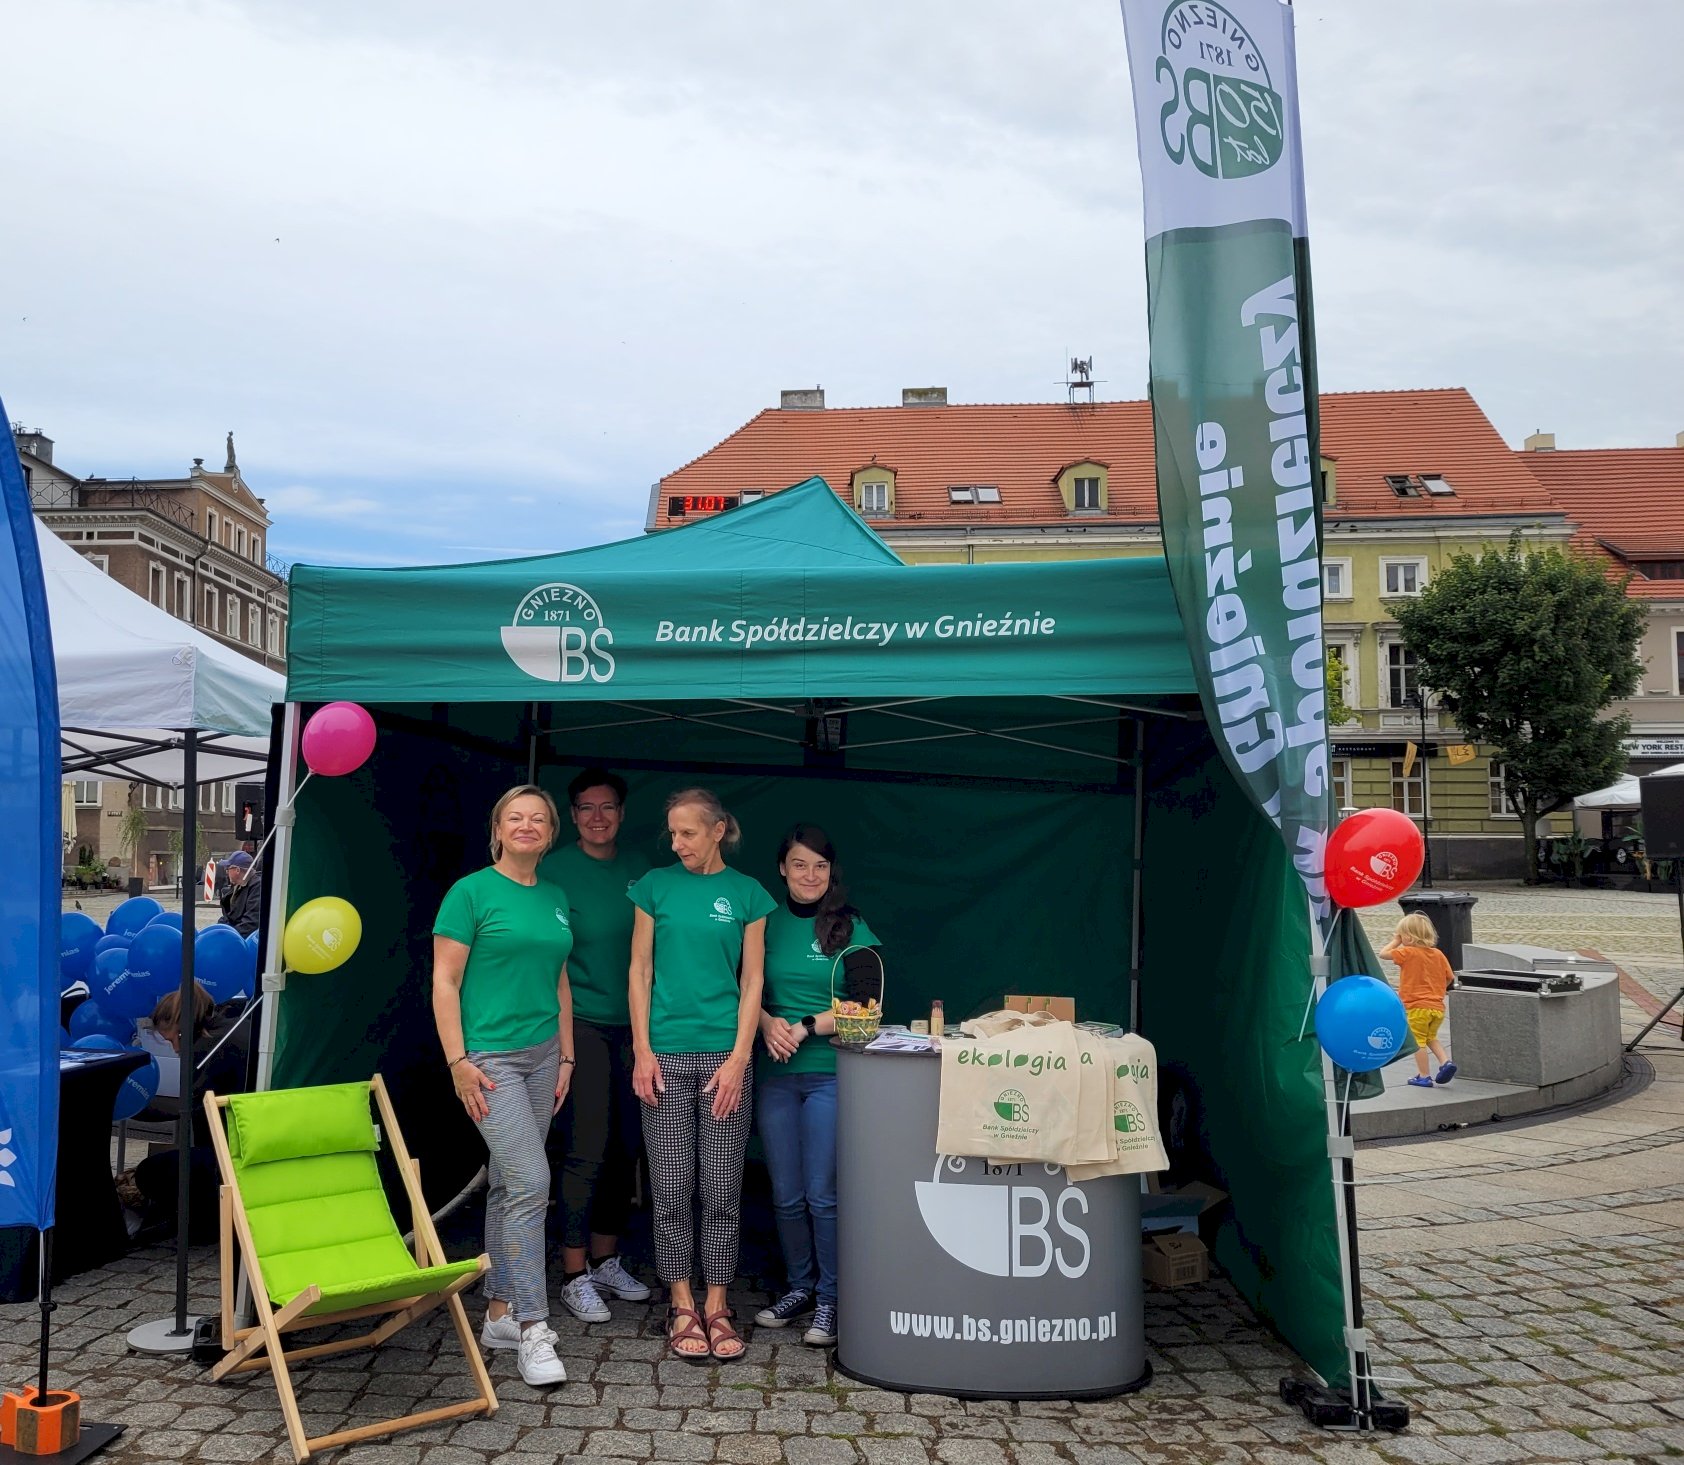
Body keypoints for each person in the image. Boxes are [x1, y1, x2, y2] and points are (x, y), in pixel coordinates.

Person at [432, 785, 576, 1388]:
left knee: (509, 1184)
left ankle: (497, 1314)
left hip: (544, 1055)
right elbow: (445, 980)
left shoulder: (555, 895)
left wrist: (567, 1056)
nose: (527, 825)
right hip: (489, 1058)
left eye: (538, 819)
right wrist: (458, 1061)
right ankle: (533, 1326)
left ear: (550, 833)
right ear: (497, 828)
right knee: (532, 1182)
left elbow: (560, 978)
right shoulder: (470, 893)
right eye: (515, 817)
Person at [629, 788, 775, 1363]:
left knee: (721, 1185)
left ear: (718, 831)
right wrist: (642, 1049)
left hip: (723, 1060)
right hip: (663, 1056)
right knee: (669, 1186)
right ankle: (681, 1299)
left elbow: (753, 983)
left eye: (687, 832)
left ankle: (718, 1301)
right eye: (672, 833)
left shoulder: (749, 894)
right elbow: (639, 970)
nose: (677, 843)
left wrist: (739, 1059)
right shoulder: (653, 887)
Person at [754, 825, 882, 1348]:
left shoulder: (851, 928)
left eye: (820, 867)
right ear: (782, 868)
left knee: (821, 1194)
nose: (810, 876)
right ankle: (800, 1288)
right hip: (775, 1075)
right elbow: (740, 986)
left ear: (832, 874)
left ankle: (831, 1298)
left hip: (830, 1074)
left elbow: (869, 1007)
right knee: (785, 1194)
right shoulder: (760, 923)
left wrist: (803, 1025)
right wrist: (766, 1024)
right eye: (800, 864)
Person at [540, 767, 653, 1323]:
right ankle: (574, 1271)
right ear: (573, 815)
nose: (598, 817)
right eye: (586, 808)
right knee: (587, 1145)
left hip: (638, 1027)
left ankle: (607, 1260)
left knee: (626, 1146)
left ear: (622, 812)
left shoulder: (642, 871)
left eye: (607, 806)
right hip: (579, 1022)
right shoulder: (553, 871)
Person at [118, 982, 245, 1244]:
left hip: (232, 1153)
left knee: (149, 1172)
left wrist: (135, 1108)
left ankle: (199, 1227)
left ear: (181, 1023)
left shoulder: (206, 1049)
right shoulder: (233, 1022)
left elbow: (188, 1108)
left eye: (173, 1038)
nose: (175, 1049)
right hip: (244, 1140)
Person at [1380, 912, 1458, 1089]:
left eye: (1401, 934)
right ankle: (1445, 1062)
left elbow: (1383, 954)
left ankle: (1424, 1076)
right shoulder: (1438, 954)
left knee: (1418, 1042)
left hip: (1416, 1007)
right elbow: (1449, 977)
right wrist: (1437, 992)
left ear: (1407, 936)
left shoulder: (1407, 952)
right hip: (1437, 1007)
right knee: (1431, 1037)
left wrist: (1396, 941)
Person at [220, 850, 263, 937]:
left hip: (245, 940)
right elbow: (229, 916)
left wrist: (230, 937)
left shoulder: (257, 887)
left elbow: (251, 922)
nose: (226, 872)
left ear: (237, 870)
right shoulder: (237, 885)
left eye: (228, 868)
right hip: (236, 934)